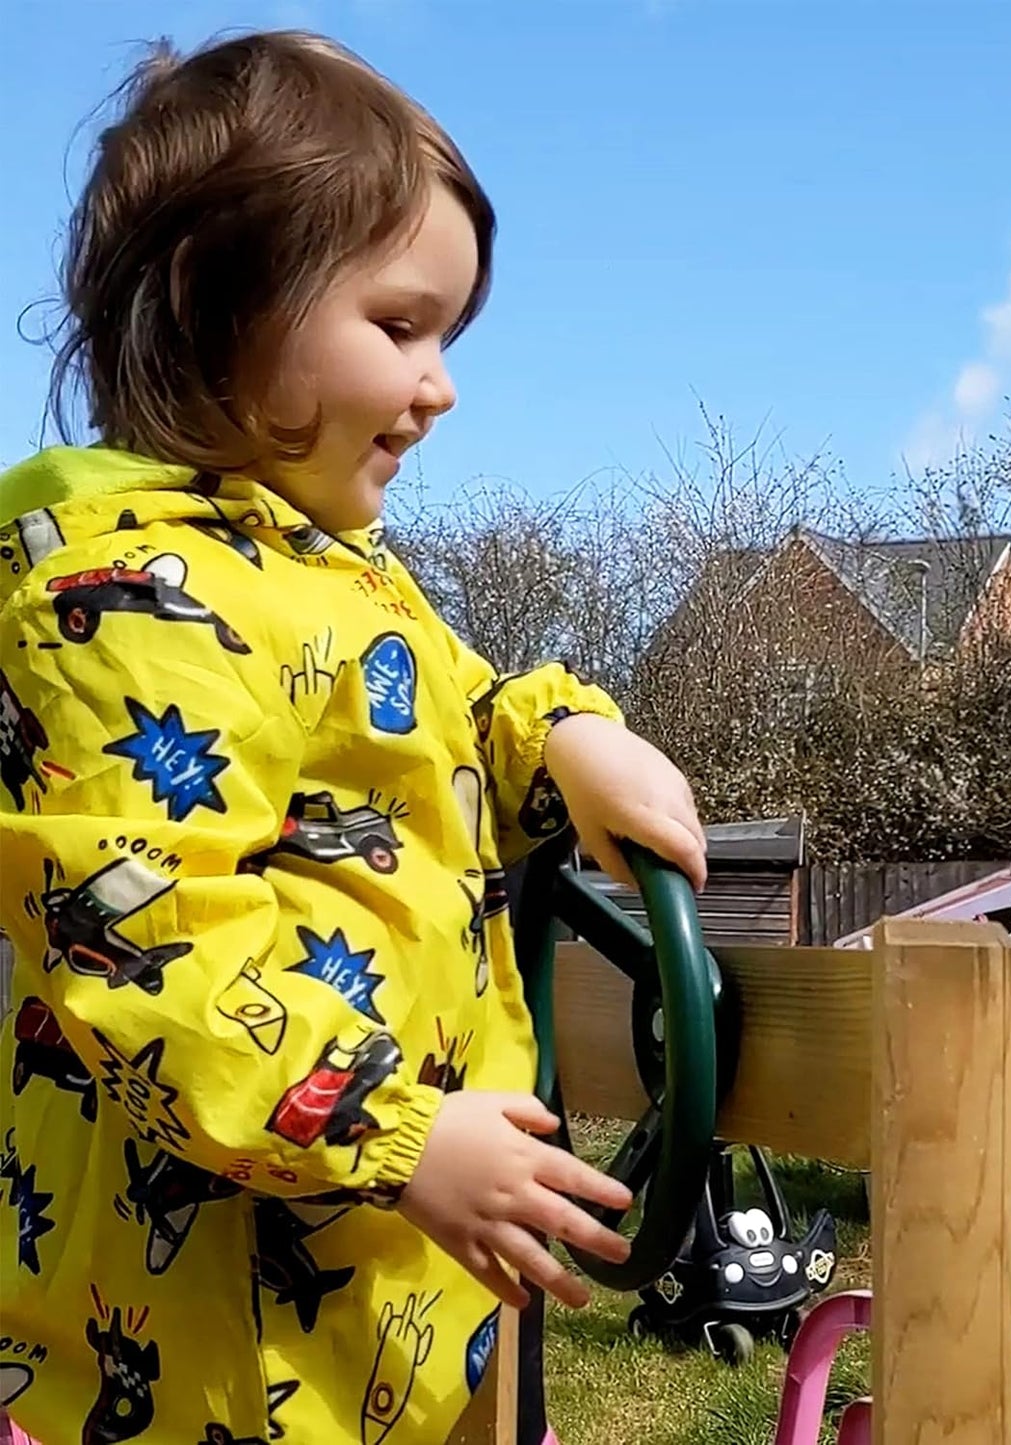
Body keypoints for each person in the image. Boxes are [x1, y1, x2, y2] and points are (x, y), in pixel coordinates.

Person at [0, 29, 708, 1445]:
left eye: (447, 335)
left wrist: (561, 732)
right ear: (216, 302)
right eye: (398, 326)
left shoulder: (334, 572)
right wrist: (398, 1128)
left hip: (398, 1302)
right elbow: (144, 941)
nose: (439, 385)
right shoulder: (112, 595)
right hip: (212, 1354)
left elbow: (458, 709)